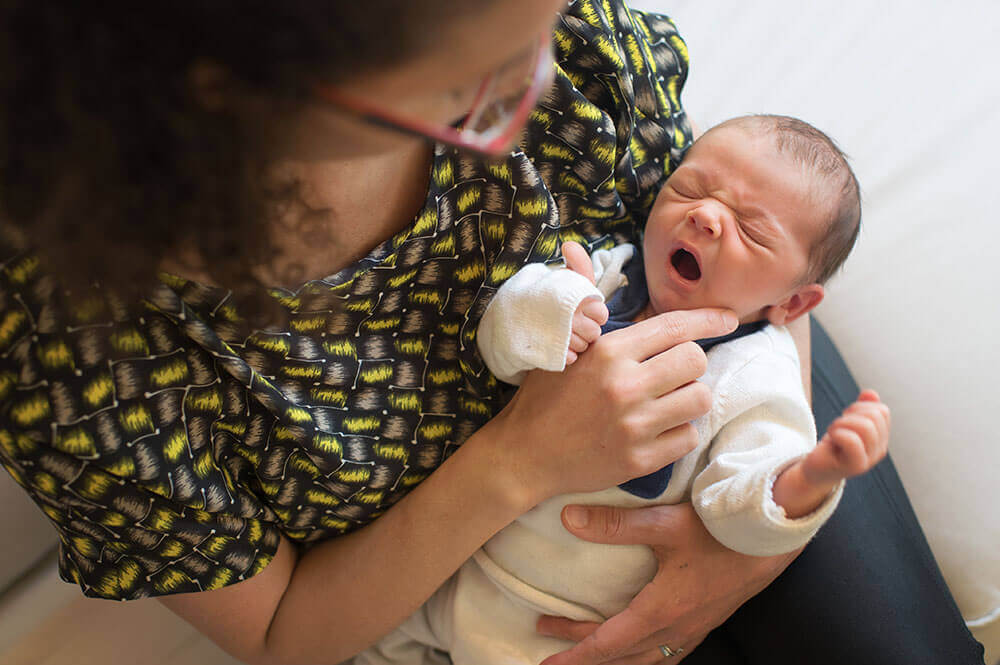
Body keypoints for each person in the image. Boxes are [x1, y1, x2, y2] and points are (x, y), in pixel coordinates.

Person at [0, 3, 983, 665]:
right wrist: (520, 457)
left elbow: (754, 279)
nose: (548, 87)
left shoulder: (541, 39)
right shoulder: (73, 347)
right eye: (487, 85)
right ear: (241, 103)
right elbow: (283, 630)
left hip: (723, 443)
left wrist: (752, 536)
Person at [355, 114, 891, 664]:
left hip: (550, 627)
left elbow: (738, 514)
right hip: (452, 564)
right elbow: (498, 351)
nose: (705, 215)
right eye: (690, 189)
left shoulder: (756, 376)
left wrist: (811, 476)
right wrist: (549, 315)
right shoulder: (610, 276)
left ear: (793, 304)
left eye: (751, 230)